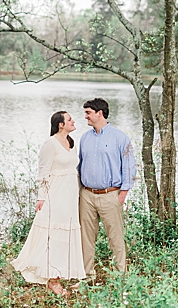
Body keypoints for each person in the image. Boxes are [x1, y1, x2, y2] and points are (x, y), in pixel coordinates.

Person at [10, 110, 86, 297]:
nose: (73, 121)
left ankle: (59, 273)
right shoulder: (50, 144)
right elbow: (43, 174)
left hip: (70, 197)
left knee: (65, 237)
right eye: (69, 119)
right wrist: (41, 197)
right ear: (61, 124)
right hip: (55, 196)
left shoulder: (71, 143)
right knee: (53, 235)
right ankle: (53, 279)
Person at [78, 97, 135, 280]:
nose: (85, 117)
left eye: (88, 113)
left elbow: (129, 167)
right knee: (86, 238)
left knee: (115, 237)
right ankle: (87, 276)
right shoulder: (84, 138)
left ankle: (120, 277)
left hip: (110, 195)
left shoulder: (120, 137)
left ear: (100, 113)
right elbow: (79, 166)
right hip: (87, 195)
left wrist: (122, 195)